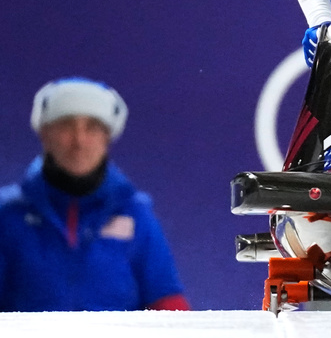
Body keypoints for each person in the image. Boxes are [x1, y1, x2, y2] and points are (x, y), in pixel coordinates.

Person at [0, 78, 190, 312]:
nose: (79, 140)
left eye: (92, 127)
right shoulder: (7, 215)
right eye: (66, 125)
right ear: (45, 135)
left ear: (107, 138)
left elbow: (168, 304)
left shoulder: (136, 214)